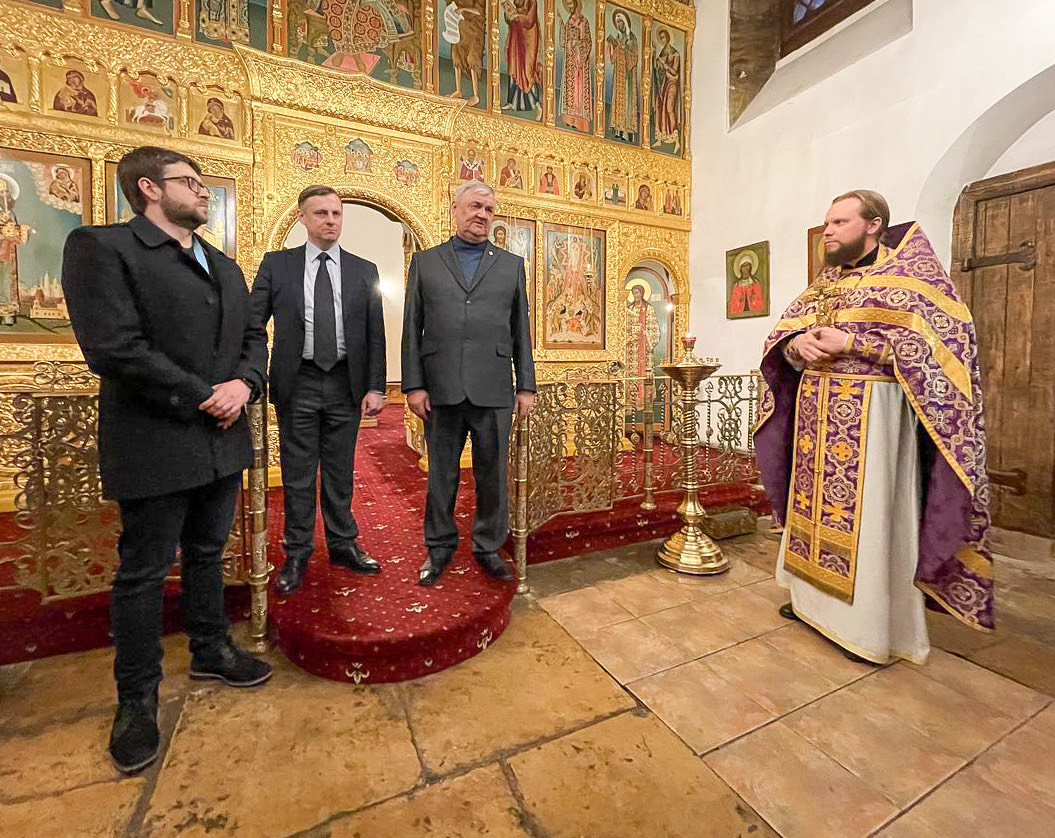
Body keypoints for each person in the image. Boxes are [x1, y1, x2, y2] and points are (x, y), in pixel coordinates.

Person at [61, 146, 272, 775]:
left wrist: (245, 385)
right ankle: (136, 699)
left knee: (208, 552)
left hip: (223, 438)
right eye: (190, 182)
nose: (204, 191)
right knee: (144, 570)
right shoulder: (103, 248)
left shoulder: (224, 265)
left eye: (203, 183)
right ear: (149, 188)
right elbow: (114, 347)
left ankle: (210, 648)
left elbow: (253, 338)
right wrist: (205, 394)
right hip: (154, 436)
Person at [754, 189, 994, 666]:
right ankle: (809, 602)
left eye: (839, 223)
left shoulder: (912, 281)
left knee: (871, 518)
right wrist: (796, 346)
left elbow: (944, 353)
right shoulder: (825, 284)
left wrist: (855, 343)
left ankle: (865, 628)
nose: (828, 231)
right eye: (827, 223)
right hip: (815, 420)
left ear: (873, 224)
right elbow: (782, 337)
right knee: (810, 510)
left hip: (875, 420)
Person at [248, 185, 386, 594]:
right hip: (299, 382)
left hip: (346, 383)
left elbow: (375, 335)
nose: (331, 220)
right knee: (298, 474)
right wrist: (252, 375)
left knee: (340, 472)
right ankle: (297, 552)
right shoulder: (277, 265)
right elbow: (253, 325)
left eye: (336, 213)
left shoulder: (364, 270)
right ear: (303, 218)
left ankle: (343, 544)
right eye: (321, 213)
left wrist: (376, 386)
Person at [401, 181, 536, 586]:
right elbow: (412, 327)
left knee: (493, 474)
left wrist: (525, 385)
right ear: (455, 208)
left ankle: (488, 546)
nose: (482, 214)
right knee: (441, 474)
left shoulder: (511, 265)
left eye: (489, 209)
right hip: (440, 387)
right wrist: (413, 385)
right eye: (475, 206)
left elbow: (521, 329)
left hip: (493, 387)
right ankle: (439, 546)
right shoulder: (425, 262)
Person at [502, 0, 542, 116]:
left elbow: (530, 21)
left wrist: (517, 16)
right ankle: (511, 101)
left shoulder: (532, 2)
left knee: (527, 70)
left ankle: (536, 103)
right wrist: (508, 16)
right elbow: (510, 19)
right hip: (516, 35)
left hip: (528, 38)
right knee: (514, 65)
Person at [558, 0, 592, 132]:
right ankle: (569, 119)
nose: (570, 7)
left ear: (576, 4)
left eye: (571, 4)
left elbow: (587, 42)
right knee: (570, 89)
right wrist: (561, 23)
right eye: (568, 5)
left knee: (579, 89)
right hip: (570, 60)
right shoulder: (569, 21)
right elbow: (564, 42)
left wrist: (577, 44)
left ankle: (580, 122)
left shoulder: (583, 22)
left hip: (579, 62)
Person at [605, 9, 638, 142]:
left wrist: (621, 47)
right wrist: (613, 45)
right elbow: (614, 58)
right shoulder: (619, 37)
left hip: (627, 77)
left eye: (620, 22)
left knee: (626, 103)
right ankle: (618, 129)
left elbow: (633, 57)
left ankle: (626, 132)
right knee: (618, 102)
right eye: (617, 22)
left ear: (625, 22)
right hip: (619, 74)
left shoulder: (632, 38)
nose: (619, 25)